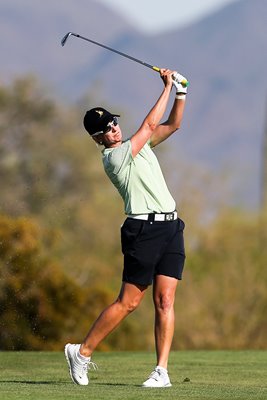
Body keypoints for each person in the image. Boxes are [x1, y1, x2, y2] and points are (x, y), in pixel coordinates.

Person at [65, 68, 187, 388]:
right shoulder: (115, 158)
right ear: (98, 139)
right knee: (129, 302)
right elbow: (148, 125)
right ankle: (82, 352)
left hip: (171, 226)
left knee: (165, 301)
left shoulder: (139, 146)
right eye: (106, 129)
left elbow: (172, 124)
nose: (114, 129)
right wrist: (167, 87)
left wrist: (181, 93)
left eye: (114, 122)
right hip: (142, 230)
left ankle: (161, 371)